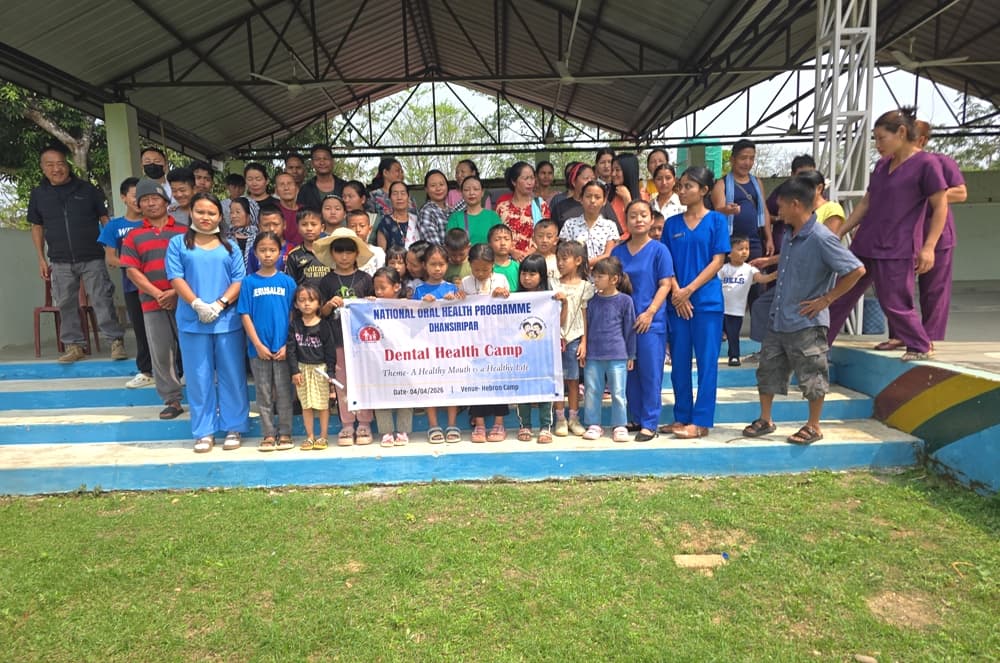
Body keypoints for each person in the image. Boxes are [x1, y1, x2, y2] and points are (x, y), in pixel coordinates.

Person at [742, 176, 866, 445]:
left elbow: (856, 270)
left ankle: (813, 425)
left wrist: (827, 299)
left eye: (782, 206)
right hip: (779, 317)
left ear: (796, 204)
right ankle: (766, 419)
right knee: (768, 370)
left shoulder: (822, 237)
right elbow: (789, 265)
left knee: (812, 373)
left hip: (807, 321)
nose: (779, 212)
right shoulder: (789, 235)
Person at [827, 107, 949, 361]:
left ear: (902, 133)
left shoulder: (927, 164)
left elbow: (940, 207)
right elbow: (866, 203)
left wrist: (929, 247)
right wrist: (842, 230)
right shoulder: (882, 166)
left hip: (898, 245)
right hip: (866, 242)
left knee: (894, 300)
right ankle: (819, 344)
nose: (877, 145)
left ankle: (919, 345)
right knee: (841, 294)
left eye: (881, 138)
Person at [28, 143, 127, 363]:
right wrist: (41, 258)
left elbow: (104, 219)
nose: (57, 169)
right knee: (65, 302)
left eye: (61, 163)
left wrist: (112, 249)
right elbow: (37, 227)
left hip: (92, 255)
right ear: (43, 168)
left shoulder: (87, 190)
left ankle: (115, 341)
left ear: (68, 165)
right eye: (50, 165)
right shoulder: (38, 194)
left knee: (102, 298)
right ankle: (74, 346)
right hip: (60, 259)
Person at [166, 192, 249, 453]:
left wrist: (220, 304)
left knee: (232, 375)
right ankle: (204, 430)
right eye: (200, 212)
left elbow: (239, 279)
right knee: (198, 377)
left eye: (211, 213)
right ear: (191, 212)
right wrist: (198, 304)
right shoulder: (178, 244)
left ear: (220, 216)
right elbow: (176, 278)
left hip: (227, 321)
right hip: (192, 321)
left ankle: (234, 426)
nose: (206, 217)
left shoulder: (230, 246)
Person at [877, 120, 967, 352]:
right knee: (897, 290)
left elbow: (961, 192)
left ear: (921, 140)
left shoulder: (938, 162)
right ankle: (900, 335)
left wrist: (925, 191)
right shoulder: (888, 164)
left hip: (934, 236)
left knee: (934, 291)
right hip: (903, 238)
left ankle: (930, 338)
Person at [662, 166, 729, 439]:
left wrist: (688, 290)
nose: (682, 190)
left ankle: (701, 421)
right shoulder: (671, 224)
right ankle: (682, 416)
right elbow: (666, 263)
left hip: (706, 303)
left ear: (704, 190)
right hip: (677, 302)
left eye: (689, 186)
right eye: (681, 185)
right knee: (678, 363)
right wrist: (677, 293)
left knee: (706, 362)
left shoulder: (716, 221)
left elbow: (718, 260)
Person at [120, 178, 187, 420]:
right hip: (152, 302)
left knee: (192, 349)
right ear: (138, 204)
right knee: (161, 353)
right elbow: (132, 270)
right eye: (145, 199)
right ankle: (172, 400)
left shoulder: (183, 231)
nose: (150, 203)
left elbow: (193, 267)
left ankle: (202, 398)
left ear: (166, 202)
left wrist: (176, 292)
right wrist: (159, 294)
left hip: (185, 301)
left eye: (155, 198)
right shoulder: (133, 236)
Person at [612, 200, 674, 441]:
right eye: (633, 216)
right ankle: (636, 418)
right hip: (623, 323)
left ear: (651, 220)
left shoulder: (660, 250)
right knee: (629, 373)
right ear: (625, 221)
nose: (638, 219)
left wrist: (650, 312)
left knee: (650, 372)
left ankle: (650, 422)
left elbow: (666, 284)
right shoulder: (618, 252)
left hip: (651, 322)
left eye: (643, 215)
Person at [316, 228, 376, 445]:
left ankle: (365, 423)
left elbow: (377, 310)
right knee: (342, 382)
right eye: (339, 251)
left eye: (349, 251)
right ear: (332, 254)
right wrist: (329, 304)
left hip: (363, 342)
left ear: (356, 254)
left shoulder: (365, 279)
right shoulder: (326, 281)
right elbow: (321, 313)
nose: (344, 256)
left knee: (364, 380)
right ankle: (347, 424)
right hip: (337, 340)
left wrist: (370, 302)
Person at [239, 232, 297, 452]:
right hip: (259, 350)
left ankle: (285, 433)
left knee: (284, 392)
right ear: (255, 253)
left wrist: (286, 345)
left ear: (280, 252)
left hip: (283, 348)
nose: (267, 254)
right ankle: (268, 434)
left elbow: (293, 315)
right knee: (263, 393)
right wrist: (257, 345)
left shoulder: (287, 282)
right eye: (262, 250)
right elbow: (245, 314)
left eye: (272, 249)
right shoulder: (249, 282)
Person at [99, 177, 153, 388]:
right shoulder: (115, 226)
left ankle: (177, 369)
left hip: (160, 285)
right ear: (123, 198)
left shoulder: (152, 222)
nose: (140, 201)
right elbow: (110, 258)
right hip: (132, 286)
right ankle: (146, 370)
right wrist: (134, 265)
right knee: (140, 329)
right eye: (135, 196)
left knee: (167, 329)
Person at [411, 244, 462, 443]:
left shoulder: (453, 289)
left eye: (441, 264)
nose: (437, 269)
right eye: (433, 264)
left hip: (450, 349)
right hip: (427, 349)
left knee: (451, 385)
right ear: (424, 265)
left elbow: (465, 317)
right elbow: (410, 318)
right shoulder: (419, 290)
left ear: (447, 265)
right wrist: (422, 303)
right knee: (429, 386)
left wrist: (454, 301)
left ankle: (452, 425)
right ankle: (433, 426)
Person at [582, 257, 636, 443]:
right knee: (592, 391)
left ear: (614, 279)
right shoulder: (591, 301)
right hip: (593, 355)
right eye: (594, 276)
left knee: (618, 392)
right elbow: (586, 327)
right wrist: (585, 349)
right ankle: (593, 424)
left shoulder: (625, 301)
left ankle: (620, 425)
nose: (595, 280)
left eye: (600, 276)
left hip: (618, 354)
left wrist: (631, 354)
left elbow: (630, 329)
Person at [461, 244, 511, 443]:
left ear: (493, 265)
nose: (480, 273)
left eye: (485, 269)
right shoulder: (465, 282)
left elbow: (511, 306)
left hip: (498, 342)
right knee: (476, 383)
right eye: (476, 269)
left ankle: (499, 423)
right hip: (474, 344)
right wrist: (458, 297)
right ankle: (479, 424)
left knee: (499, 382)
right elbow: (458, 308)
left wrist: (504, 294)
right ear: (470, 265)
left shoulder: (501, 279)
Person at [287, 284, 337, 451]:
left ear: (319, 303)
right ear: (295, 304)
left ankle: (323, 436)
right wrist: (294, 371)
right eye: (302, 300)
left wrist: (330, 372)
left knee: (322, 405)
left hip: (320, 369)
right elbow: (291, 350)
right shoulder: (294, 325)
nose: (306, 304)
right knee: (306, 405)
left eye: (311, 300)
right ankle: (310, 436)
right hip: (302, 370)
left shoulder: (323, 325)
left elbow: (330, 351)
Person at [369, 266, 413, 447]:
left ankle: (403, 430)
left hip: (404, 358)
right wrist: (366, 306)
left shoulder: (407, 305)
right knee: (381, 391)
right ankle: (386, 431)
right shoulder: (370, 306)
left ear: (396, 287)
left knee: (405, 391)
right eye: (376, 288)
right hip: (380, 359)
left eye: (382, 288)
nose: (378, 292)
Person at [553, 240, 593, 437]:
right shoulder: (553, 284)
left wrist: (584, 341)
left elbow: (585, 316)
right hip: (555, 338)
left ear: (578, 260)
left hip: (575, 338)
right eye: (558, 259)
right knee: (557, 379)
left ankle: (574, 417)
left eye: (565, 259)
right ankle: (559, 418)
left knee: (573, 380)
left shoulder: (586, 287)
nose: (560, 263)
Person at [515, 254, 556, 444]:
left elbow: (559, 323)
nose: (527, 278)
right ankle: (525, 425)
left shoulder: (551, 297)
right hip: (520, 353)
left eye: (533, 274)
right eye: (524, 273)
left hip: (544, 352)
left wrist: (561, 304)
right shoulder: (513, 298)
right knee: (522, 388)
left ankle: (545, 426)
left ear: (542, 276)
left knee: (545, 387)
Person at [712, 140, 774, 262]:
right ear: (732, 159)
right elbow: (717, 212)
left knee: (755, 278)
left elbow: (764, 210)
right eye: (743, 158)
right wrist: (727, 210)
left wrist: (769, 238)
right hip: (730, 243)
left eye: (751, 158)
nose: (747, 163)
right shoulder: (721, 184)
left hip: (754, 243)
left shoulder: (757, 182)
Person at [720, 236, 775, 367]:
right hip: (720, 309)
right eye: (740, 249)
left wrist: (775, 275)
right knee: (715, 335)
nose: (744, 251)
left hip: (736, 311)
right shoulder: (723, 269)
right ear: (729, 253)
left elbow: (761, 279)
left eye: (747, 248)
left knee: (733, 336)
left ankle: (734, 356)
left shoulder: (750, 269)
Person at [494, 162, 550, 261]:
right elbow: (496, 236)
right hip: (508, 261)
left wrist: (530, 252)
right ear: (514, 181)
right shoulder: (502, 208)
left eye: (532, 178)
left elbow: (547, 233)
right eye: (525, 178)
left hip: (534, 261)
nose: (530, 182)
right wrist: (513, 251)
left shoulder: (541, 205)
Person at [559, 181, 620, 268]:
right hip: (576, 278)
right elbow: (565, 253)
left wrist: (585, 264)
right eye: (588, 196)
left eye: (597, 197)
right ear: (581, 199)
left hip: (601, 277)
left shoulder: (610, 226)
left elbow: (608, 254)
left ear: (604, 201)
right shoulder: (570, 224)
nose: (592, 200)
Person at [550, 163, 618, 232]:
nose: (590, 181)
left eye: (593, 178)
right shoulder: (560, 208)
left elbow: (616, 234)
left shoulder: (603, 204)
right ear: (574, 182)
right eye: (586, 178)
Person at [446, 175, 502, 245]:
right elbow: (451, 244)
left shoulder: (493, 216)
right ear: (462, 194)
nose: (471, 193)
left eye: (476, 189)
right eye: (466, 190)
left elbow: (500, 241)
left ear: (482, 192)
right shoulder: (455, 218)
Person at [285, 209, 330, 289]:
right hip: (305, 300)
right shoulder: (294, 255)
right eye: (304, 224)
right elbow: (291, 285)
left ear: (322, 227)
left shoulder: (330, 252)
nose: (309, 228)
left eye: (313, 224)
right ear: (298, 228)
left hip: (329, 300)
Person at [297, 144, 344, 212]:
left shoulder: (344, 186)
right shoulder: (306, 190)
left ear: (332, 162)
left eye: (325, 158)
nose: (322, 162)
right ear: (312, 163)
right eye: (317, 159)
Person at [247, 205, 293, 273]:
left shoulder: (292, 250)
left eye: (276, 224)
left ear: (284, 224)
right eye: (266, 225)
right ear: (259, 227)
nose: (271, 229)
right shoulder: (254, 251)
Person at [376, 181, 414, 250]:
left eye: (403, 193)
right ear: (390, 198)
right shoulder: (385, 223)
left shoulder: (417, 221)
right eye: (395, 194)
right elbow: (381, 254)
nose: (399, 197)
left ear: (408, 197)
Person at [416, 170, 451, 245]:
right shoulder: (427, 211)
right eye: (433, 185)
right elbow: (434, 248)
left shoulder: (451, 210)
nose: (438, 188)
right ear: (426, 189)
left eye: (441, 184)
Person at [347, 210, 385, 277]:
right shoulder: (343, 253)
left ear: (370, 229)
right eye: (353, 226)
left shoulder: (378, 252)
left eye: (362, 226)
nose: (358, 230)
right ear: (347, 229)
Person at [342, 180, 379, 244]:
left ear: (363, 199)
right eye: (344, 197)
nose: (346, 200)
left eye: (350, 196)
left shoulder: (376, 219)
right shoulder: (340, 219)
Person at [273, 171, 303, 246]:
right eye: (282, 185)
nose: (286, 188)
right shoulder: (273, 212)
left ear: (296, 188)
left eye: (289, 184)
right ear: (276, 190)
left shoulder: (305, 211)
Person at [488, 224, 519, 292]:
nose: (502, 243)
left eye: (506, 239)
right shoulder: (487, 268)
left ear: (512, 243)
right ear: (489, 244)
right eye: (497, 239)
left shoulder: (517, 266)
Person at [532, 219, 561, 285]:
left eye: (549, 237)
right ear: (533, 239)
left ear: (556, 240)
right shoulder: (529, 260)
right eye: (540, 236)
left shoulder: (558, 261)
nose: (544, 240)